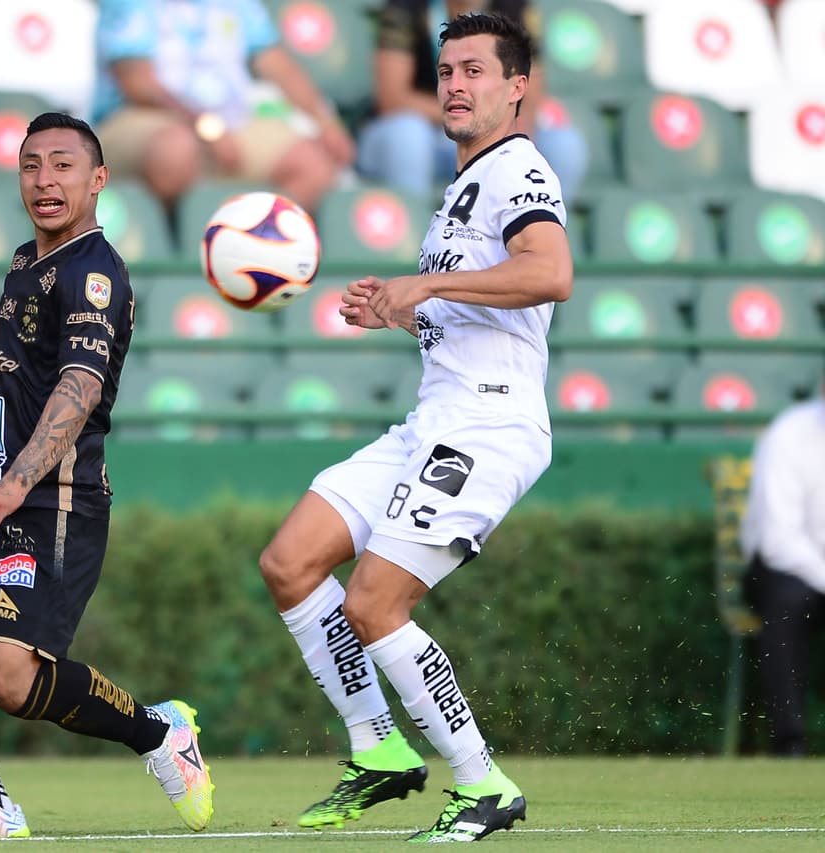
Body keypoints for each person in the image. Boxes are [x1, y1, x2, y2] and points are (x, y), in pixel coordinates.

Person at [259, 13, 572, 842]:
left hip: (490, 420)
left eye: (476, 70)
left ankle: (482, 783)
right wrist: (401, 309)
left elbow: (551, 273)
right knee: (291, 561)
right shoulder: (462, 187)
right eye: (447, 72)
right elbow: (479, 303)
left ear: (516, 86)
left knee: (374, 601)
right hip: (437, 414)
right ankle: (381, 750)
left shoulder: (518, 169)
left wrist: (425, 290)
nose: (457, 85)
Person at [0, 112, 214, 840]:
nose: (45, 180)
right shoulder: (29, 259)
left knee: (4, 676)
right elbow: (15, 358)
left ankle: (158, 732)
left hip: (53, 504)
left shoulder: (93, 271)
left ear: (97, 180)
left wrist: (16, 485)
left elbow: (78, 387)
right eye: (31, 165)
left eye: (61, 165)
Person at [91, 0, 355, 214]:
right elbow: (138, 84)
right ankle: (180, 256)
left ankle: (253, 248)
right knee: (175, 151)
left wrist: (326, 121)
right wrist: (207, 128)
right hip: (143, 117)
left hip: (232, 119)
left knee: (314, 164)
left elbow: (278, 66)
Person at [357, 0, 587, 201]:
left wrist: (496, 133)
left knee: (564, 144)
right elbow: (392, 99)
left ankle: (539, 243)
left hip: (491, 130)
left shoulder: (515, 8)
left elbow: (528, 93)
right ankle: (414, 241)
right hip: (428, 134)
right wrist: (470, 114)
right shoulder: (407, 5)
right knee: (406, 136)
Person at [741, 384, 825, 757]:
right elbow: (778, 542)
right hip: (784, 570)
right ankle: (789, 740)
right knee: (787, 599)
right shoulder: (789, 434)